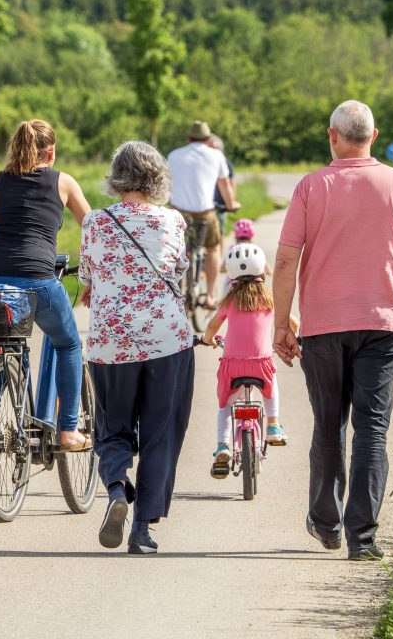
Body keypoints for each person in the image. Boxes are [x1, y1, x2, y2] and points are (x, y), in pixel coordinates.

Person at [273, 100, 393, 561]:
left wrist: (280, 325)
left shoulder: (311, 187)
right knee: (372, 430)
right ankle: (363, 539)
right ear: (374, 134)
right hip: (383, 326)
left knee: (329, 425)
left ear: (333, 135)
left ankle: (326, 525)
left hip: (324, 327)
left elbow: (287, 258)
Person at [79, 140, 195, 555]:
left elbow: (88, 277)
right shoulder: (173, 221)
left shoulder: (94, 221)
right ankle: (142, 529)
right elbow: (177, 270)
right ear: (157, 177)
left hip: (111, 343)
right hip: (166, 339)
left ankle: (115, 489)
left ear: (116, 175)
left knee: (112, 426)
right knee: (161, 431)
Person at [0, 119, 92, 452]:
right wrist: (93, 275)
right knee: (68, 343)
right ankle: (68, 430)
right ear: (50, 152)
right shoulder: (63, 182)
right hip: (37, 279)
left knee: (4, 341)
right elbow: (95, 230)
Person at [202, 244, 293, 478]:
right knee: (271, 386)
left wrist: (208, 339)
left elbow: (213, 326)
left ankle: (222, 446)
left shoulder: (229, 300)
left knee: (225, 405)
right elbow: (292, 323)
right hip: (261, 363)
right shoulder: (269, 298)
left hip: (232, 365)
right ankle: (273, 425)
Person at [168, 121, 238, 305]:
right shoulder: (216, 155)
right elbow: (225, 186)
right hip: (205, 214)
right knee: (213, 249)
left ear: (188, 138)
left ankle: (175, 292)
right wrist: (231, 205)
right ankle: (210, 295)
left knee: (176, 250)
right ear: (208, 139)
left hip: (179, 214)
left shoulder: (173, 155)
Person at [209, 134, 235, 239]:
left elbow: (231, 183)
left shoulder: (225, 163)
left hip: (220, 204)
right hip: (206, 205)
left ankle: (219, 254)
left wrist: (231, 202)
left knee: (220, 233)